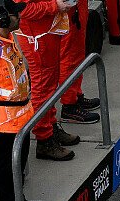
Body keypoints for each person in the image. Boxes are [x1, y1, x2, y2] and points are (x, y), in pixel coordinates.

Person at [0, 0, 45, 201]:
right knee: (5, 166)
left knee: (19, 162)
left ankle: (17, 199)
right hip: (3, 123)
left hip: (21, 116)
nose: (20, 17)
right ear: (3, 18)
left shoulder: (9, 39)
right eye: (15, 15)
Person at [15, 0, 79, 161]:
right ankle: (44, 139)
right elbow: (23, 9)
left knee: (50, 85)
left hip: (47, 30)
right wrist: (55, 6)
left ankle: (50, 127)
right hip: (37, 36)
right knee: (43, 87)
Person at [58, 0, 100, 125]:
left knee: (77, 52)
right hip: (67, 8)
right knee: (69, 56)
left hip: (75, 7)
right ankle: (69, 105)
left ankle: (75, 96)